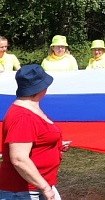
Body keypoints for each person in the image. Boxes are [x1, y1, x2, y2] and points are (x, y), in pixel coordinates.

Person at [0, 65, 71, 200]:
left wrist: (55, 145)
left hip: (35, 188)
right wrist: (44, 187)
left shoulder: (31, 108)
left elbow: (36, 138)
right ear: (40, 88)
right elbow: (19, 159)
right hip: (23, 192)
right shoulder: (23, 117)